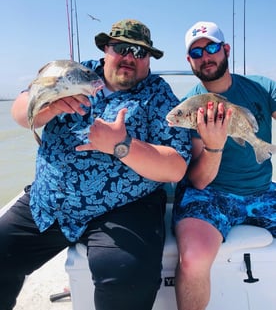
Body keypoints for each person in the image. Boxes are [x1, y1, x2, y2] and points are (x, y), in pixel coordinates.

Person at [0, 18, 192, 310]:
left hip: (125, 207)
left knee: (126, 277)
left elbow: (177, 165)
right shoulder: (70, 74)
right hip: (51, 198)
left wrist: (121, 145)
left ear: (149, 60)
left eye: (140, 52)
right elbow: (21, 110)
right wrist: (48, 107)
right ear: (105, 48)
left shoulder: (159, 94)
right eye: (121, 48)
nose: (130, 57)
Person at [173, 21, 276, 310]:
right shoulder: (189, 106)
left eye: (212, 47)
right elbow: (200, 181)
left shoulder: (262, 88)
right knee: (192, 259)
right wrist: (214, 145)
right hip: (211, 194)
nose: (206, 57)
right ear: (189, 61)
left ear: (226, 50)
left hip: (262, 191)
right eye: (197, 53)